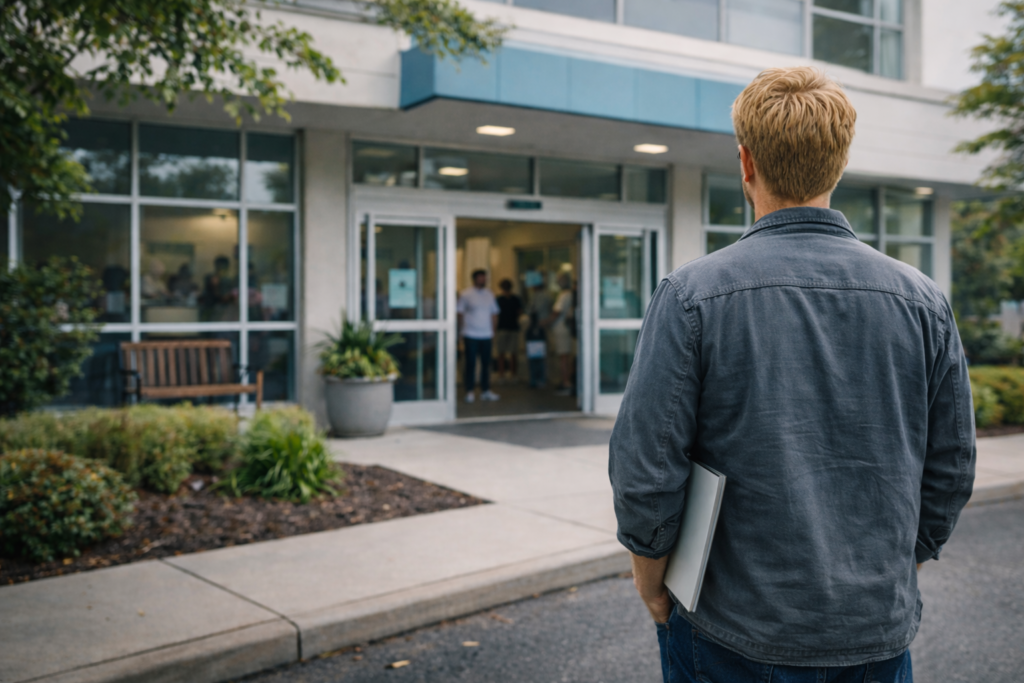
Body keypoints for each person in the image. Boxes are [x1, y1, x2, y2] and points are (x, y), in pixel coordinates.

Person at [609, 66, 976, 683]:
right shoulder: (922, 301)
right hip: (875, 632)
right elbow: (952, 466)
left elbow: (647, 467)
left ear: (746, 163)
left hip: (729, 631)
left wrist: (652, 581)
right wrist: (893, 565)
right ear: (839, 164)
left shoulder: (691, 295)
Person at [457, 269, 500, 403]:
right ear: (474, 279)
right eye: (480, 278)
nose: (483, 280)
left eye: (484, 277)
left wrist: (493, 331)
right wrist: (461, 332)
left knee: (486, 364)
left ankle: (485, 390)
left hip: (486, 334)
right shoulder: (466, 294)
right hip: (471, 334)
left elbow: (494, 313)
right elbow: (460, 313)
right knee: (470, 363)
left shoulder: (489, 294)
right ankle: (469, 391)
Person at [543, 273, 574, 395]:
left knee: (563, 358)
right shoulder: (570, 294)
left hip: (561, 329)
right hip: (566, 329)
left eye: (559, 280)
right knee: (566, 357)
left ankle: (566, 383)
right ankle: (567, 381)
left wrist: (546, 322)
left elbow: (557, 311)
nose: (557, 283)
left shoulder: (564, 295)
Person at [495, 279, 523, 381]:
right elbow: (520, 311)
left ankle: (502, 374)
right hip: (512, 327)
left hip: (503, 327)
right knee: (512, 353)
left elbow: (495, 314)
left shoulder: (499, 299)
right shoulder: (515, 299)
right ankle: (512, 374)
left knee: (502, 353)